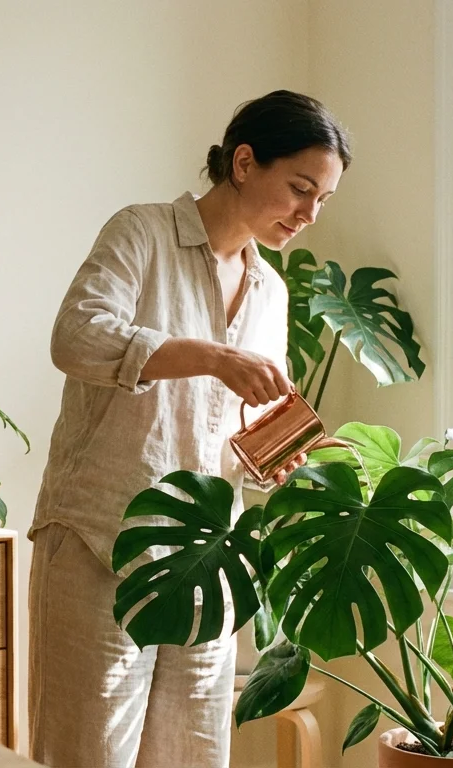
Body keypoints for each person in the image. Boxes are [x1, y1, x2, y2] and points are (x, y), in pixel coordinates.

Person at [27, 89, 350, 768]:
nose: (308, 214)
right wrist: (209, 355)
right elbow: (75, 337)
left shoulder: (271, 290)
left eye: (322, 200)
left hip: (208, 560)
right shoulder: (140, 232)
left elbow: (246, 421)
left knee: (192, 757)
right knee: (88, 755)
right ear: (242, 161)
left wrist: (278, 456)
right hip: (99, 544)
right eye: (299, 189)